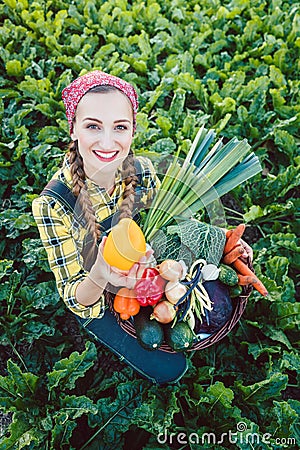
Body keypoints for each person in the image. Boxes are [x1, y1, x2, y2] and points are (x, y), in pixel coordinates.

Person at [32, 70, 188, 384]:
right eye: (93, 126)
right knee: (172, 369)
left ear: (132, 131)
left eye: (119, 127)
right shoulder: (53, 204)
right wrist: (102, 273)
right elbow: (77, 297)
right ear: (73, 129)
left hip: (144, 274)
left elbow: (167, 225)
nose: (107, 141)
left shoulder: (141, 170)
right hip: (96, 294)